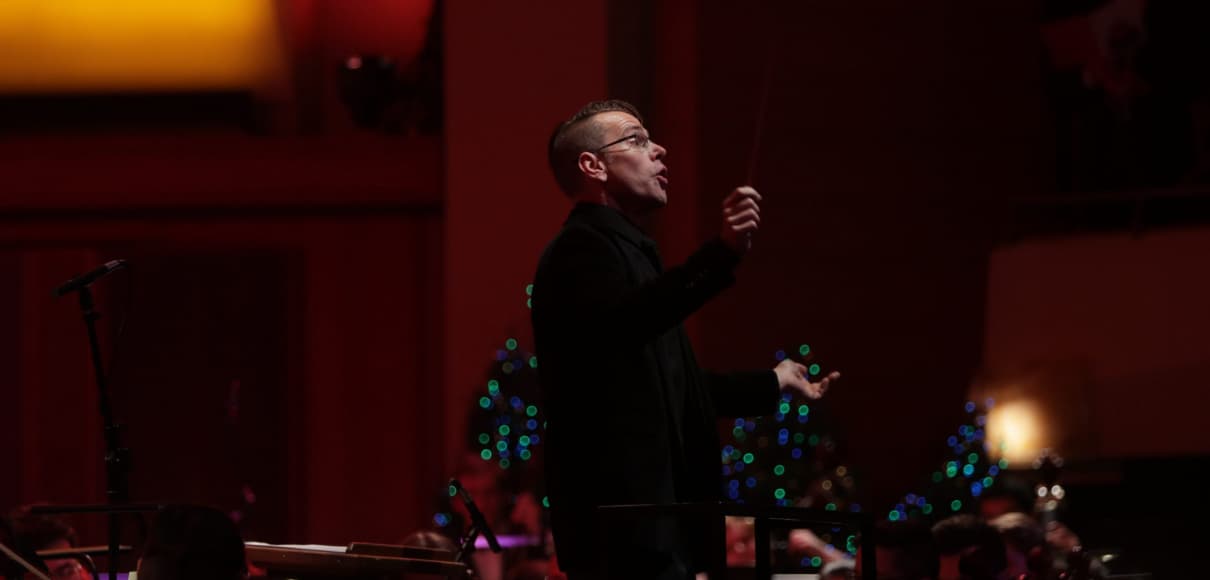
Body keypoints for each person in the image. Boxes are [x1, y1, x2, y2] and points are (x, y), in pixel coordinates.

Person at [531, 99, 839, 579]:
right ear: (593, 166)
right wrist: (722, 253)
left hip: (657, 529)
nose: (659, 149)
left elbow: (677, 388)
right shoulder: (580, 249)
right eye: (637, 140)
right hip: (621, 533)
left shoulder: (629, 252)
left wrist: (773, 381)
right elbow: (633, 320)